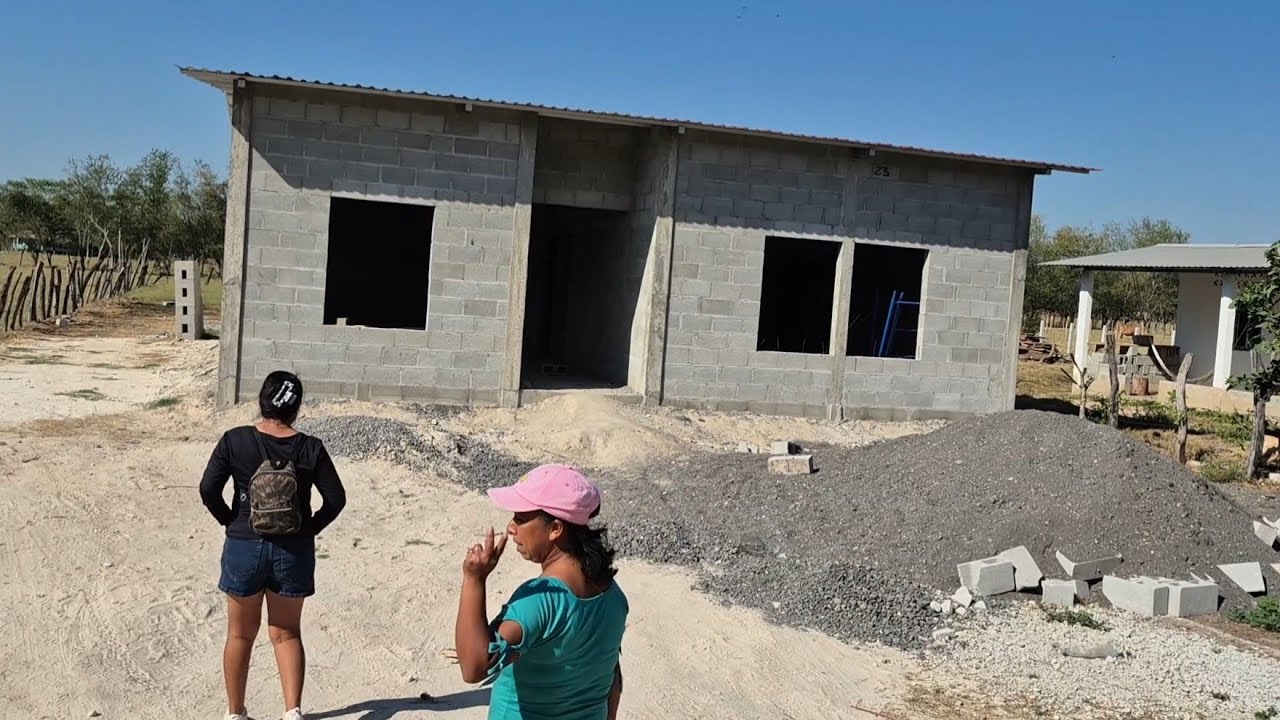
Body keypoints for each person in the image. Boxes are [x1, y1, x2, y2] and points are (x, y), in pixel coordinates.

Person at [199, 371, 347, 720]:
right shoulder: (311, 448)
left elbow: (208, 489)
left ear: (261, 400)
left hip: (243, 546)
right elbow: (336, 499)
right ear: (296, 407)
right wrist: (309, 528)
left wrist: (230, 520)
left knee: (240, 635)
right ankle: (292, 711)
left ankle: (235, 712)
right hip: (292, 551)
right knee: (286, 633)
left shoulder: (235, 440)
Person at [454, 464, 627, 720]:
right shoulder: (613, 595)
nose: (511, 527)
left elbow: (474, 666)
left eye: (521, 519)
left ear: (555, 528)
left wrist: (474, 580)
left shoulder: (540, 600)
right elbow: (612, 673)